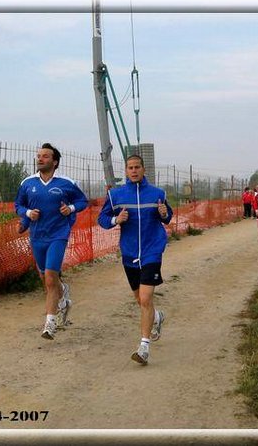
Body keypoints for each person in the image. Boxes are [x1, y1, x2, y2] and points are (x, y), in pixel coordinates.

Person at [98, 155, 173, 365]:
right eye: (130, 168)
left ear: (143, 169)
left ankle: (144, 347)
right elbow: (102, 219)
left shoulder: (157, 194)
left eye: (137, 167)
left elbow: (167, 216)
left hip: (152, 251)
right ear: (126, 171)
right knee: (140, 300)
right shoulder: (116, 195)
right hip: (129, 253)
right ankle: (156, 317)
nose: (133, 171)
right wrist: (116, 219)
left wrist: (164, 213)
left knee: (146, 298)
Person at [14, 143, 88, 340]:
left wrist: (70, 209)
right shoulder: (27, 183)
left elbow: (82, 201)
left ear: (55, 162)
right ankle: (63, 297)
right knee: (46, 280)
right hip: (37, 236)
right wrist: (27, 214)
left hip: (58, 235)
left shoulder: (66, 183)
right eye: (39, 156)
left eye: (45, 156)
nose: (40, 159)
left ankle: (49, 324)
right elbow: (18, 205)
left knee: (50, 277)